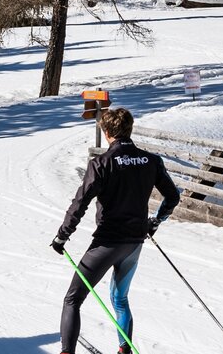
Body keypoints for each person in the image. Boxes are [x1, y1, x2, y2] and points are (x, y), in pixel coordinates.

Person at [50, 107, 180, 354]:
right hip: (134, 242)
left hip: (108, 243)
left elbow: (80, 202)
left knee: (73, 299)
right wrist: (155, 221)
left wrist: (62, 235)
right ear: (129, 129)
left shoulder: (101, 163)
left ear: (107, 132)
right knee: (119, 299)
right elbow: (172, 196)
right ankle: (124, 350)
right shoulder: (151, 161)